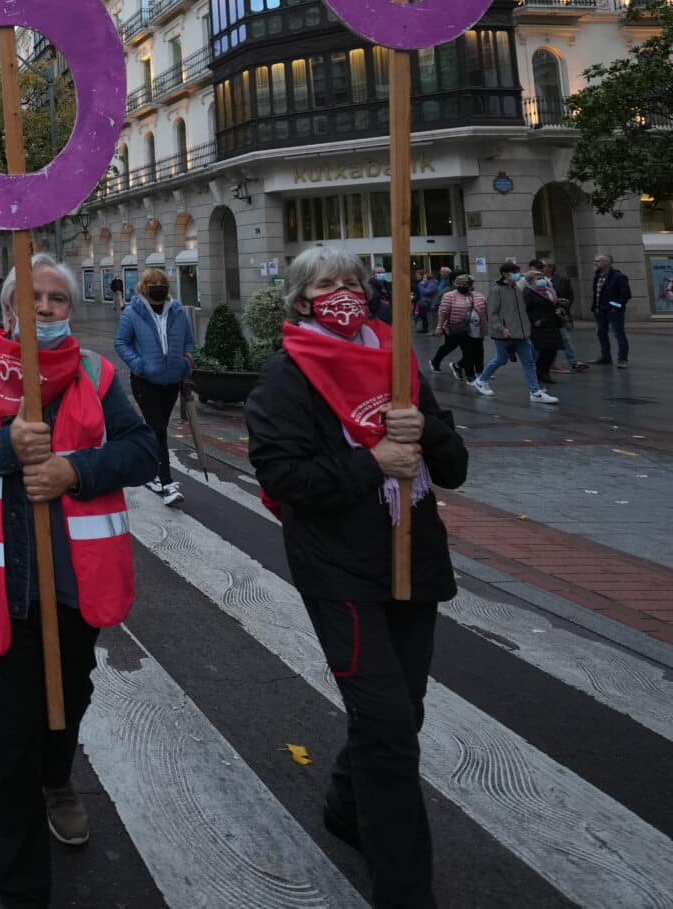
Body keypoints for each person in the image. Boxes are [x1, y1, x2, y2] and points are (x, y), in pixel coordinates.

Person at [0, 253, 154, 908]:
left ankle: (58, 777)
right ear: (6, 310)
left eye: (56, 299)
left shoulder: (97, 374)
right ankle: (22, 884)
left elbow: (142, 451)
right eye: (33, 298)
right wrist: (6, 448)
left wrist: (72, 471)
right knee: (7, 733)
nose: (44, 308)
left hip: (75, 587)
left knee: (68, 698)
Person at [245, 246, 470, 909]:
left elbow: (453, 467)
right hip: (339, 570)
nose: (341, 291)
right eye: (325, 284)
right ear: (300, 299)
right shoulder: (285, 381)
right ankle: (405, 889)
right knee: (389, 726)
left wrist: (424, 427)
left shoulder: (398, 362)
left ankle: (347, 802)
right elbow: (284, 477)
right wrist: (374, 460)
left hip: (414, 559)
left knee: (402, 713)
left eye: (350, 281)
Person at [114, 266, 196, 506]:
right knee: (158, 430)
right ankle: (167, 482)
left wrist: (185, 364)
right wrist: (139, 365)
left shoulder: (178, 311)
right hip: (145, 381)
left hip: (172, 380)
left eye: (162, 285)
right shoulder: (133, 313)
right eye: (154, 286)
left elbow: (189, 343)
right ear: (144, 288)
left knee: (156, 430)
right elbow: (121, 342)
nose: (159, 290)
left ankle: (151, 472)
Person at [473, 261, 555, 403]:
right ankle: (481, 380)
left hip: (521, 332)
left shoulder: (515, 288)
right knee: (501, 359)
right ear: (505, 274)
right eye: (515, 273)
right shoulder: (496, 290)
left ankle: (535, 391)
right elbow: (491, 313)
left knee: (528, 361)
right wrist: (501, 328)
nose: (518, 275)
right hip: (504, 333)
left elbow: (524, 282)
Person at [429, 275, 485, 382]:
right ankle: (468, 375)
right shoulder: (448, 295)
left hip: (473, 328)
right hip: (454, 328)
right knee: (456, 348)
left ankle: (469, 369)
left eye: (466, 284)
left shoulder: (477, 296)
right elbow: (443, 311)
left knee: (471, 350)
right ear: (455, 283)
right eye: (460, 284)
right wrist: (439, 327)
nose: (463, 286)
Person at [534, 264, 589, 373]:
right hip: (543, 319)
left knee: (565, 339)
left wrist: (562, 306)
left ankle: (573, 362)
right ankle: (545, 365)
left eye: (549, 266)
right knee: (545, 344)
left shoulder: (555, 283)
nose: (547, 268)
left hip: (557, 316)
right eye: (544, 266)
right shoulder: (532, 287)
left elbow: (567, 296)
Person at [521, 259, 566, 386]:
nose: (541, 279)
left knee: (553, 349)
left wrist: (559, 307)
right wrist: (534, 321)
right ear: (530, 280)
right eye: (537, 277)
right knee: (544, 349)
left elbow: (554, 303)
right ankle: (541, 372)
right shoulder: (528, 292)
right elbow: (526, 310)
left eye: (542, 276)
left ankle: (544, 371)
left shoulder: (548, 290)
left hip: (553, 323)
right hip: (540, 325)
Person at [590, 254, 631, 368]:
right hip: (599, 311)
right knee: (601, 333)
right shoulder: (597, 276)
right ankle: (605, 357)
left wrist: (613, 306)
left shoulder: (618, 277)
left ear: (606, 263)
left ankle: (622, 359)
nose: (595, 262)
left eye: (597, 261)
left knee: (619, 334)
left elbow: (626, 296)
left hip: (614, 312)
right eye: (595, 260)